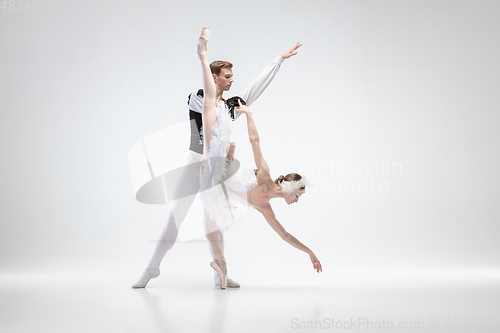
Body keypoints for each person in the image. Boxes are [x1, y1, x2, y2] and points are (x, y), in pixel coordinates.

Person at [131, 30, 303, 289]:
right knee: (176, 217)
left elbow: (254, 89)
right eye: (227, 76)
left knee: (216, 215)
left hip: (218, 167)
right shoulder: (199, 98)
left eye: (232, 76)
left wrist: (279, 60)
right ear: (214, 78)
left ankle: (219, 273)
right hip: (195, 163)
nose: (232, 80)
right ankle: (151, 269)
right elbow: (210, 121)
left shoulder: (232, 104)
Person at [197, 28, 322, 289]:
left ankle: (220, 270)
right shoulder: (263, 177)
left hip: (218, 186)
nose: (297, 201)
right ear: (216, 78)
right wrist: (250, 117)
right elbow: (255, 142)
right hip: (214, 167)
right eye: (297, 196)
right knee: (213, 214)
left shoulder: (266, 207)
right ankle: (202, 55)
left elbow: (285, 235)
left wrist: (309, 251)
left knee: (214, 224)